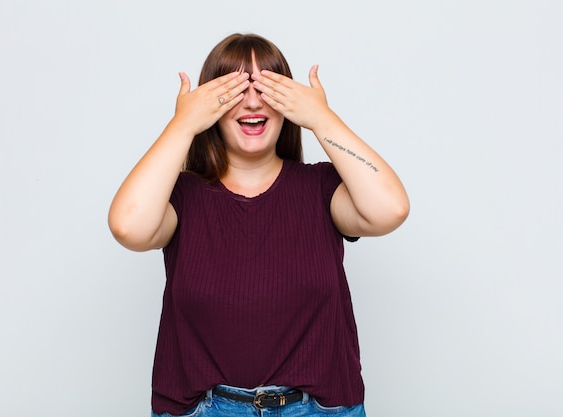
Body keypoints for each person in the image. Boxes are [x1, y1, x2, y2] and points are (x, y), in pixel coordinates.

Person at [108, 33, 410, 417]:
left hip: (318, 410)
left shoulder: (321, 188)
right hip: (203, 409)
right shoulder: (182, 196)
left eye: (266, 87)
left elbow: (391, 209)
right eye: (235, 89)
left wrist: (322, 119)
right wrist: (182, 125)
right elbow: (127, 227)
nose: (252, 101)